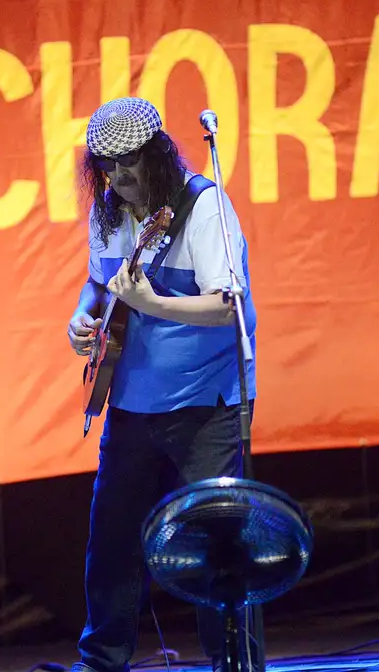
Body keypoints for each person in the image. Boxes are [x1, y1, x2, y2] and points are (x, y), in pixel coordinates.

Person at [66, 97, 261, 672]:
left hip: (208, 406)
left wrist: (154, 302)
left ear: (157, 156)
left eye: (129, 164)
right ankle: (101, 661)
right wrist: (81, 318)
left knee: (217, 549)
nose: (119, 178)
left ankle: (235, 665)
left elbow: (231, 309)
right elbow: (98, 285)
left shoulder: (204, 207)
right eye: (107, 166)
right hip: (131, 404)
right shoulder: (109, 211)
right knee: (112, 546)